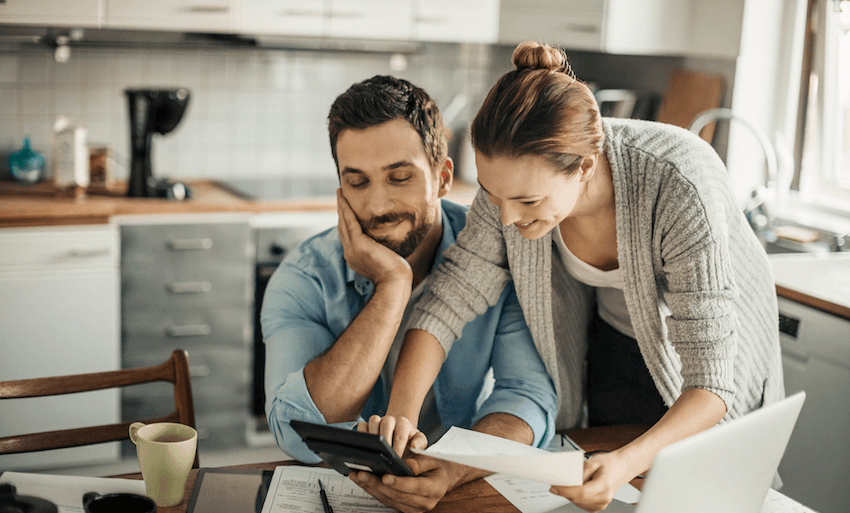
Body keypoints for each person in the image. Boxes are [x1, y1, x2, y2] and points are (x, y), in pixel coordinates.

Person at [378, 42, 785, 512]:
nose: (507, 218)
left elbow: (711, 383)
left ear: (585, 168)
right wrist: (401, 420)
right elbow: (449, 299)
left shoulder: (679, 182)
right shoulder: (510, 192)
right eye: (493, 194)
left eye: (528, 202)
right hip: (616, 346)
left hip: (709, 371)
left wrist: (623, 462)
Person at [261, 74, 558, 513]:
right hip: (346, 495)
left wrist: (454, 467)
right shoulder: (304, 277)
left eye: (399, 177)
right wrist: (392, 286)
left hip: (460, 481)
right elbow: (296, 431)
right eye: (358, 182)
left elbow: (527, 398)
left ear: (442, 178)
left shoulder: (497, 256)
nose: (379, 205)